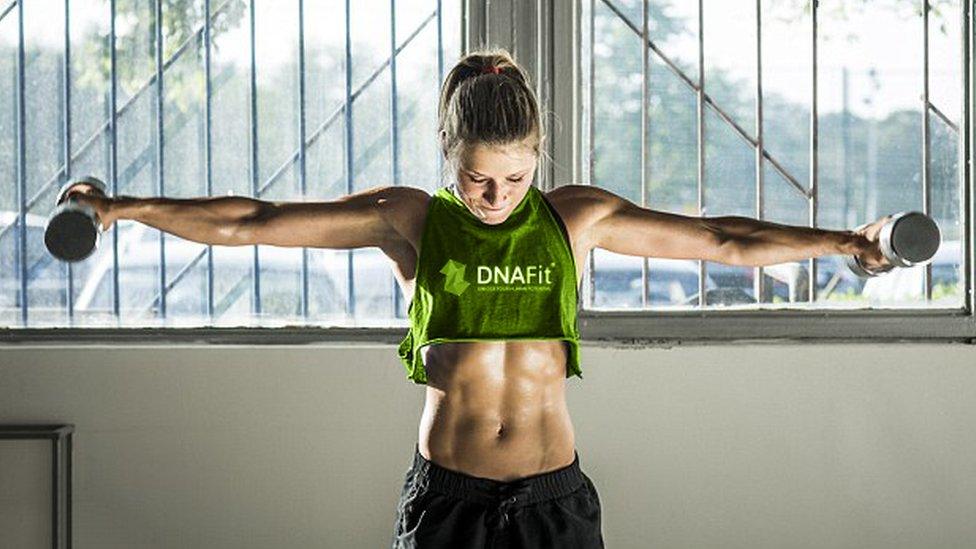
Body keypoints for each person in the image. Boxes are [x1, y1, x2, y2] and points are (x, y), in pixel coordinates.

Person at [63, 47, 892, 548]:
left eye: (515, 177)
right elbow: (255, 221)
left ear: (538, 157)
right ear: (449, 156)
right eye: (477, 177)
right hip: (447, 502)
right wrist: (120, 208)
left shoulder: (578, 218)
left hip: (553, 500)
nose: (495, 195)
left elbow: (725, 240)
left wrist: (843, 243)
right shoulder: (410, 221)